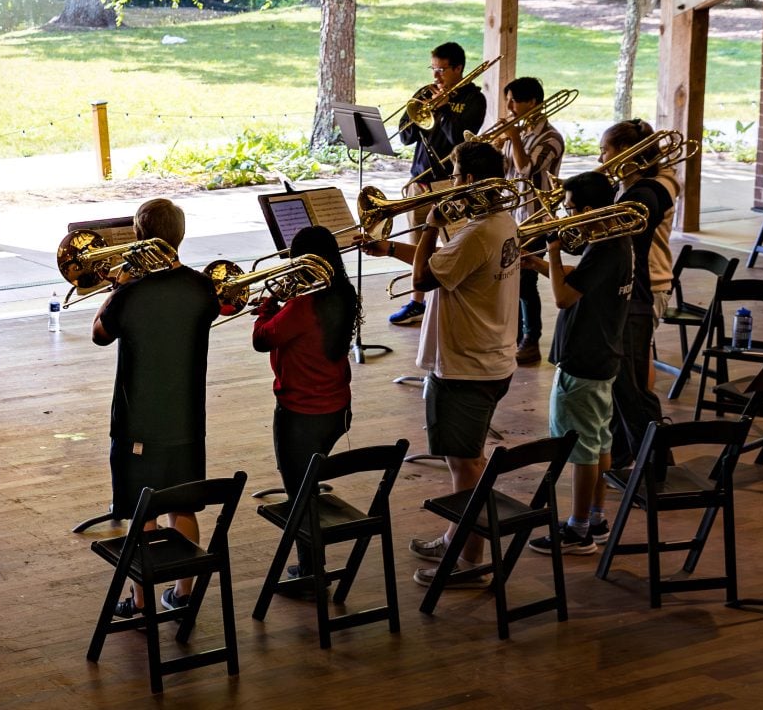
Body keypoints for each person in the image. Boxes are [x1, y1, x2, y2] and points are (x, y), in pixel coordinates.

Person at [363, 140, 519, 589]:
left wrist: (430, 224)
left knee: (466, 464)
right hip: (486, 358)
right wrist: (388, 249)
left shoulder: (478, 232)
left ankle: (468, 562)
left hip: (467, 366)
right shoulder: (500, 221)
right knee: (463, 461)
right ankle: (457, 534)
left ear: (469, 181)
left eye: (454, 173)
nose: (449, 182)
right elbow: (446, 266)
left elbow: (425, 277)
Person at [93, 198, 220, 615]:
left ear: (138, 235)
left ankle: (142, 599)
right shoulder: (203, 288)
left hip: (138, 423)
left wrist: (117, 285)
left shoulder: (132, 292)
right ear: (180, 235)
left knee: (142, 512)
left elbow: (99, 333)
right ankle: (183, 595)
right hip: (187, 418)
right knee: (181, 504)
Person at [520, 172, 633, 556]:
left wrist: (551, 249)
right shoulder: (616, 238)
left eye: (569, 209)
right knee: (599, 443)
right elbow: (581, 280)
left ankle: (578, 529)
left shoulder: (604, 245)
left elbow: (564, 298)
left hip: (583, 359)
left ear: (587, 210)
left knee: (579, 449)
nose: (565, 216)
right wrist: (536, 264)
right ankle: (596, 519)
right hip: (602, 354)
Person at [250, 225, 356, 585]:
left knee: (299, 493)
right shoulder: (342, 292)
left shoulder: (304, 303)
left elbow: (262, 338)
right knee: (309, 485)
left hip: (302, 413)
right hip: (336, 408)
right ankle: (313, 566)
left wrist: (267, 305)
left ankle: (312, 572)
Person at [389, 41, 488, 327]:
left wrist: (443, 110)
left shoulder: (473, 99)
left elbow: (460, 137)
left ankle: (461, 302)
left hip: (450, 181)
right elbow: (406, 138)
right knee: (419, 246)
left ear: (458, 68)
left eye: (442, 69)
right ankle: (417, 302)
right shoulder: (425, 93)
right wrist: (420, 109)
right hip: (420, 180)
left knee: (457, 246)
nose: (436, 76)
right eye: (433, 68)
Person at [598, 120, 675, 469]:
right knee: (620, 381)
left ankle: (658, 463)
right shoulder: (629, 187)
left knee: (630, 385)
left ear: (627, 155)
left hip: (647, 288)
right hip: (630, 289)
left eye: (605, 150)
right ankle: (623, 451)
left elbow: (617, 236)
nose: (601, 157)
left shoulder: (648, 192)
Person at [496, 77, 567, 366]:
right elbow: (503, 173)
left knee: (526, 279)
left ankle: (531, 339)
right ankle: (511, 334)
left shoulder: (551, 138)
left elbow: (527, 170)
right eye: (508, 100)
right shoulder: (520, 133)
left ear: (533, 103)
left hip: (538, 217)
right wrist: (496, 146)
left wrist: (512, 138)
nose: (509, 107)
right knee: (510, 277)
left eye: (514, 100)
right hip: (514, 215)